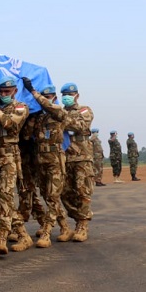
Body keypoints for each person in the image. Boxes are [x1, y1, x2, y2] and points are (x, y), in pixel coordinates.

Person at [0, 77, 30, 253]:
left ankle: (2, 237)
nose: (3, 94)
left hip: (9, 158)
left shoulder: (20, 107)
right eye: (1, 92)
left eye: (7, 91)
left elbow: (11, 124)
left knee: (6, 196)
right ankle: (23, 235)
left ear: (15, 91)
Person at [22, 80, 67, 248]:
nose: (45, 99)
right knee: (48, 196)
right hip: (40, 161)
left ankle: (47, 233)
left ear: (54, 97)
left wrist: (34, 92)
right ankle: (64, 227)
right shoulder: (39, 117)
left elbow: (49, 106)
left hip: (55, 161)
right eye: (44, 96)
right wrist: (31, 118)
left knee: (54, 196)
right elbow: (26, 136)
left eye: (49, 96)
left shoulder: (58, 112)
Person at [60, 83, 94, 242]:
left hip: (82, 157)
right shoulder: (60, 112)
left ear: (77, 95)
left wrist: (61, 118)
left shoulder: (84, 110)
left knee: (82, 191)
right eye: (64, 94)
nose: (67, 97)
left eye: (70, 94)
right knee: (65, 192)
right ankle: (77, 218)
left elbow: (81, 125)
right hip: (65, 157)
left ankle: (83, 224)